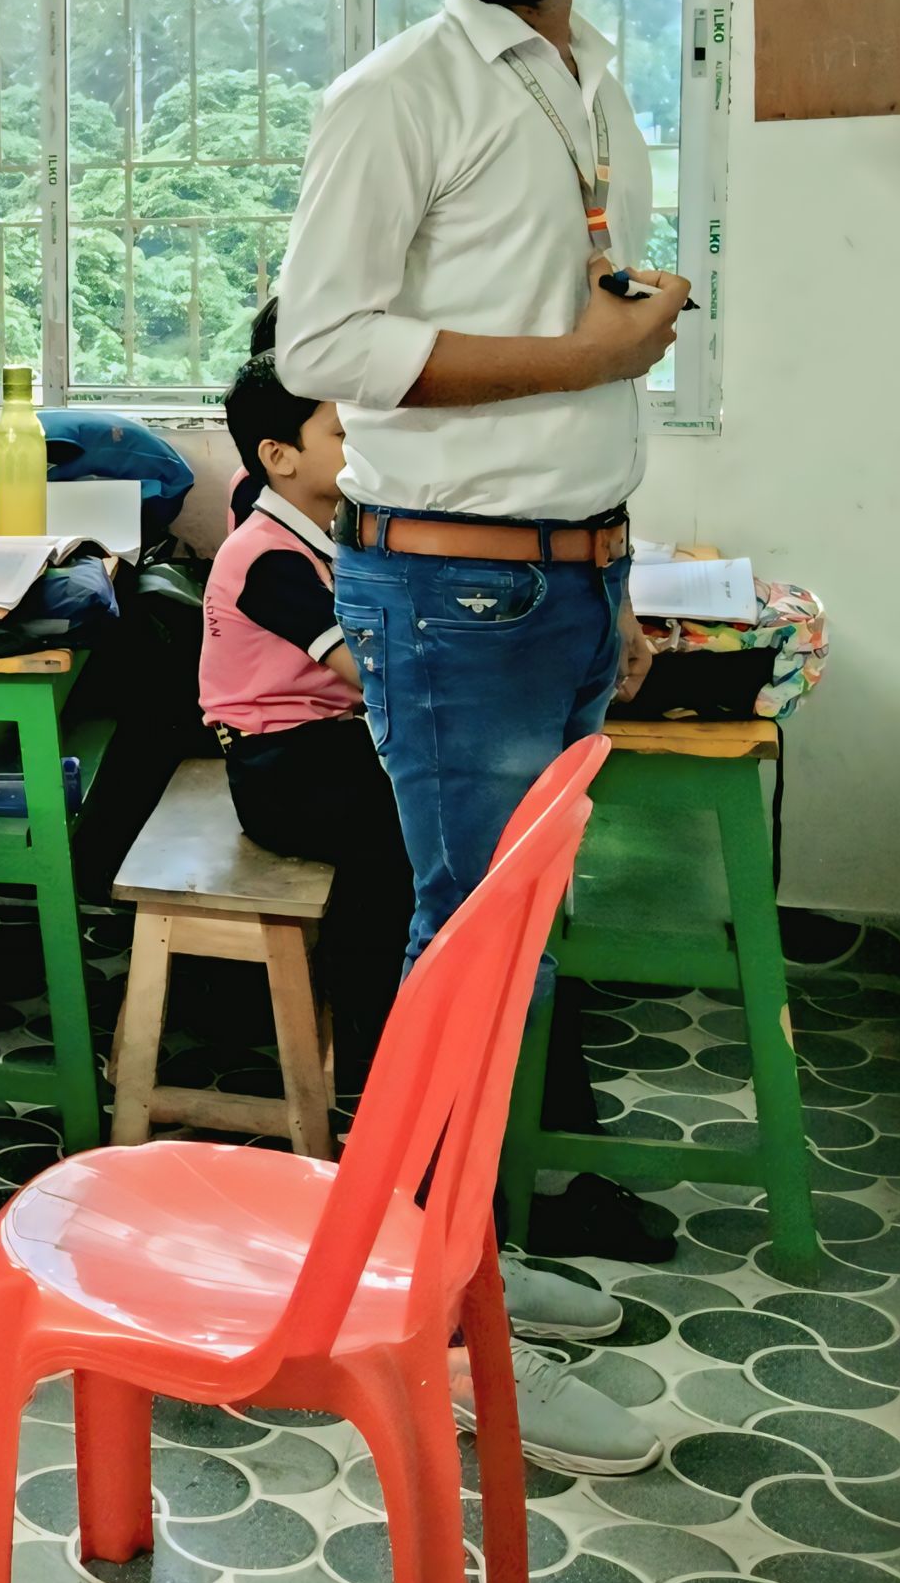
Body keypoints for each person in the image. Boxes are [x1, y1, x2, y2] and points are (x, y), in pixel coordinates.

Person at [277, 0, 688, 1442]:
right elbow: (326, 344)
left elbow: (566, 319)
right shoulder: (398, 92)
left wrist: (610, 537)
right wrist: (583, 355)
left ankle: (475, 1259)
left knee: (510, 954)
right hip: (454, 594)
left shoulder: (588, 76)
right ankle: (434, 1334)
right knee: (467, 956)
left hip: (563, 574)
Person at [205, 348, 647, 1473]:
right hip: (286, 761)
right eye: (344, 431)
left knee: (491, 913)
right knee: (441, 909)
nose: (365, 450)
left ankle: (469, 1246)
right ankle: (430, 1273)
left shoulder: (329, 532)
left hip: (352, 727)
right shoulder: (272, 553)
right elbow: (362, 672)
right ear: (278, 455)